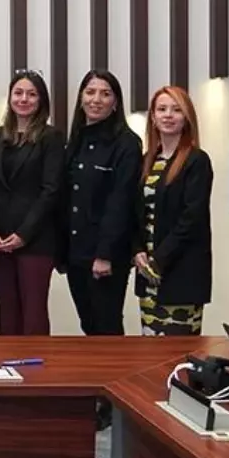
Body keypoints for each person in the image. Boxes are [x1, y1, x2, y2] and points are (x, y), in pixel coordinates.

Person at [61, 69, 142, 337]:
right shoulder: (76, 139)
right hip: (76, 252)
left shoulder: (127, 144)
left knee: (106, 327)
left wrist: (104, 255)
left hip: (105, 256)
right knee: (88, 325)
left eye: (105, 94)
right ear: (81, 97)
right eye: (90, 92)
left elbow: (121, 202)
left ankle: (114, 379)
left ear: (116, 102)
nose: (96, 99)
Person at [0, 70, 65, 336]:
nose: (24, 99)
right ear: (9, 98)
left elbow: (51, 191)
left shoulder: (51, 137)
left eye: (31, 94)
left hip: (36, 238)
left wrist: (23, 234)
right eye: (18, 93)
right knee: (7, 309)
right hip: (0, 238)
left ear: (41, 101)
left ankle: (36, 373)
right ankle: (6, 370)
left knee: (33, 311)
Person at [132, 86, 213, 336]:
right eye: (162, 109)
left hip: (181, 269)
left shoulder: (196, 161)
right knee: (149, 349)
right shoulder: (146, 160)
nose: (168, 115)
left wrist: (160, 258)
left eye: (176, 110)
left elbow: (192, 218)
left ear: (187, 117)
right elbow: (135, 213)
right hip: (148, 272)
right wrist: (137, 251)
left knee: (177, 353)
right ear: (153, 118)